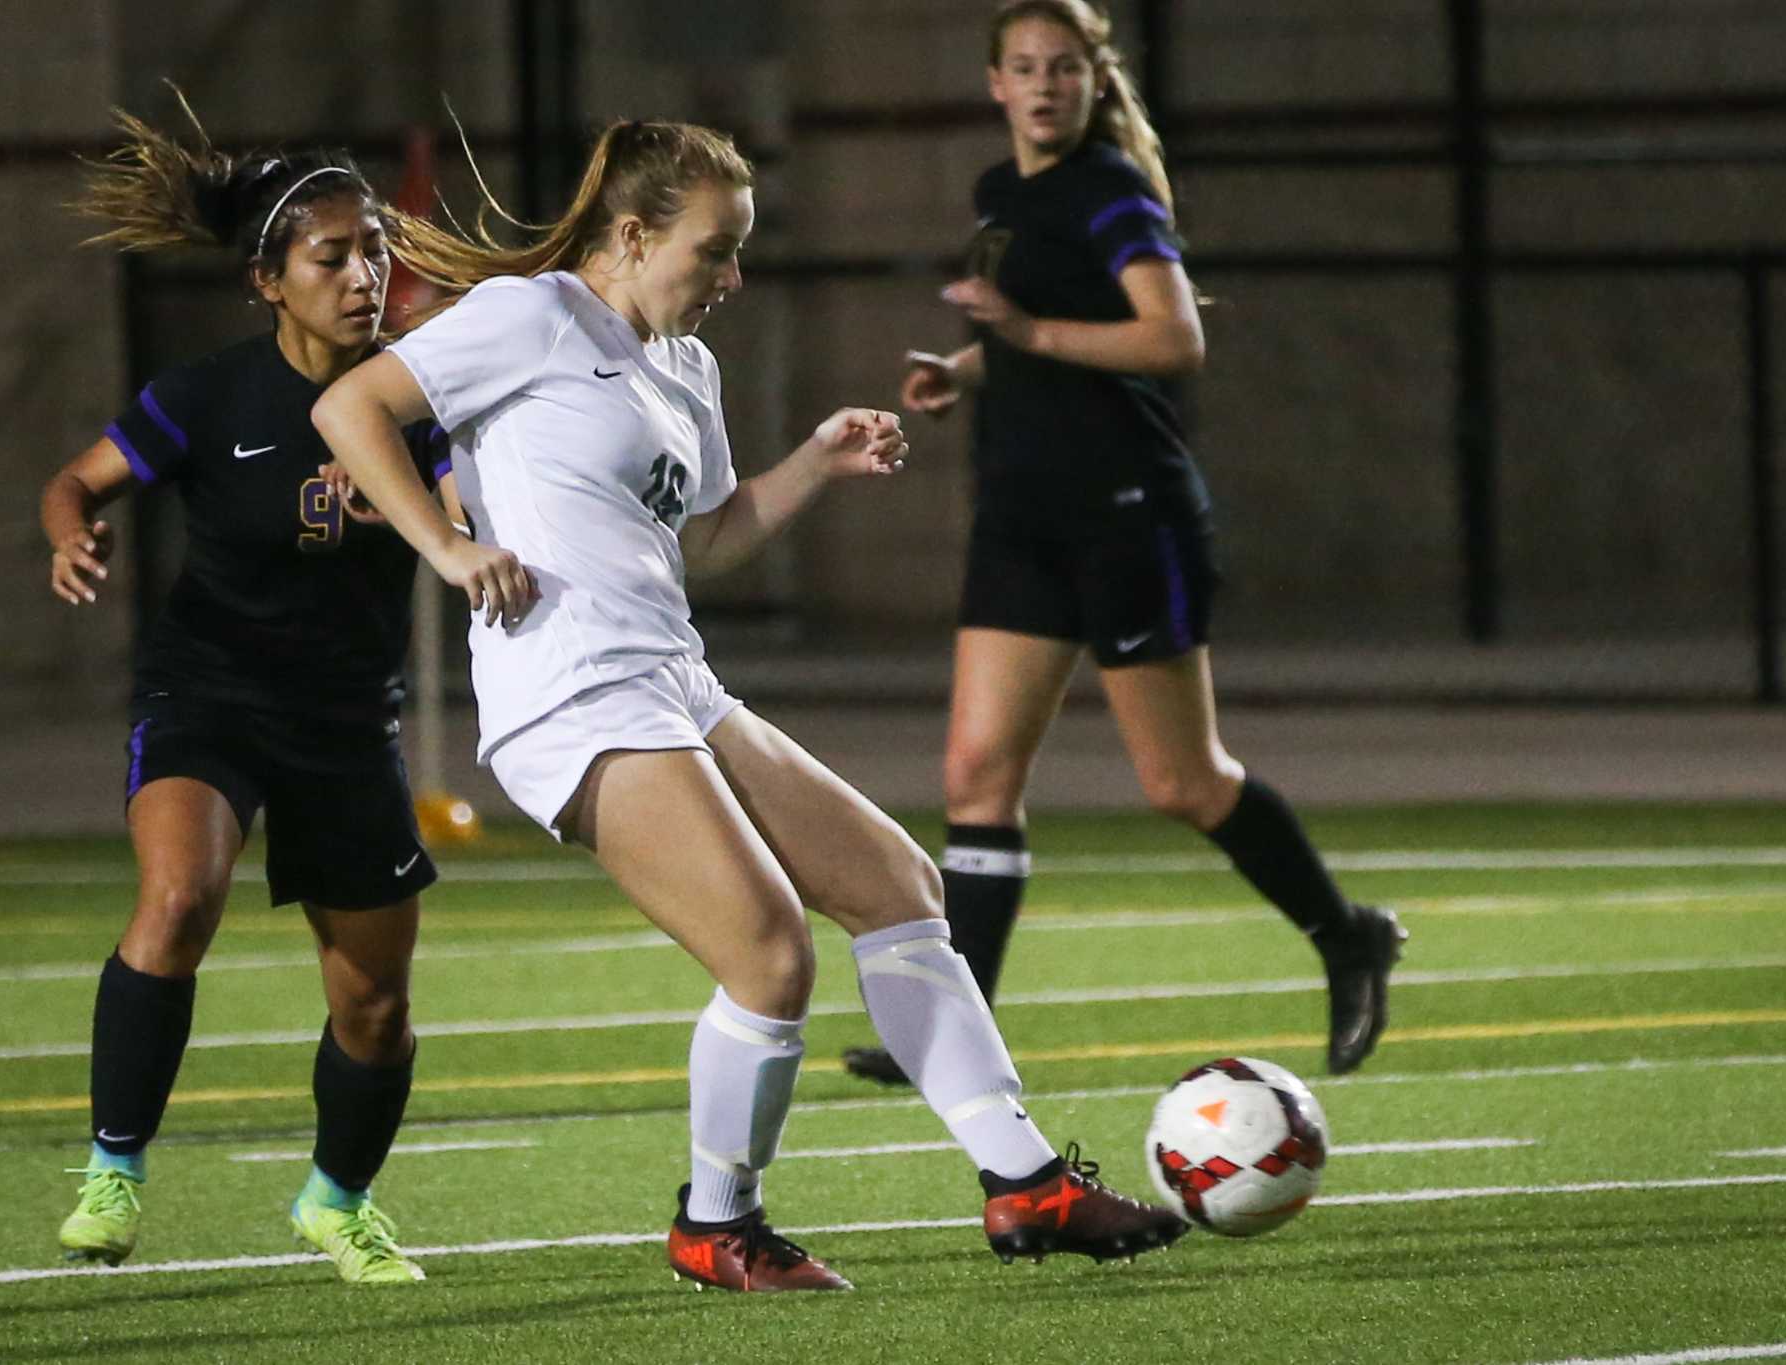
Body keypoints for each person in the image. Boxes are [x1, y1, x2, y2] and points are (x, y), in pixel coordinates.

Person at [312, 117, 1186, 1292]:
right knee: (769, 958)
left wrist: (815, 462)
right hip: (567, 694)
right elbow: (350, 409)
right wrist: (450, 548)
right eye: (715, 251)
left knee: (895, 885)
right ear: (631, 234)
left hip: (669, 676)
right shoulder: (529, 317)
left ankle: (1025, 1186)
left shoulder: (684, 362)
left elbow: (705, 542)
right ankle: (714, 1227)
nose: (733, 277)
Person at [840, 0, 1406, 1089]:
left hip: (1124, 511)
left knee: (1183, 784)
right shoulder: (999, 194)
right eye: (1023, 67)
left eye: (1063, 67)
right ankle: (954, 1038)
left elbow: (1171, 336)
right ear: (994, 85)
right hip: (1021, 513)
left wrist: (1024, 335)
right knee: (974, 774)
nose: (1044, 85)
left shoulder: (1109, 192)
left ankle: (1346, 936)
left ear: (1093, 81)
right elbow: (1025, 337)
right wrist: (961, 373)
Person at [39, 93, 455, 1284]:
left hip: (345, 720)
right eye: (334, 256)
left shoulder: (420, 398)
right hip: (207, 692)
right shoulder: (208, 396)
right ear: (269, 281)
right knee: (177, 903)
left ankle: (336, 1201)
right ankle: (114, 1171)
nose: (365, 272)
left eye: (375, 247)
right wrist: (70, 534)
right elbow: (74, 481)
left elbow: (474, 515)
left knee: (374, 1008)